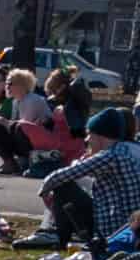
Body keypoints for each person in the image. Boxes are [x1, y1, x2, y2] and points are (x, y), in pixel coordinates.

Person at [18, 106, 139, 250]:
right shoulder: (123, 151)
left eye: (90, 134)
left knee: (62, 185)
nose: (87, 140)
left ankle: (55, 234)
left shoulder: (109, 156)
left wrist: (44, 192)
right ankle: (55, 232)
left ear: (100, 135)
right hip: (128, 226)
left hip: (113, 228)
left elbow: (61, 176)